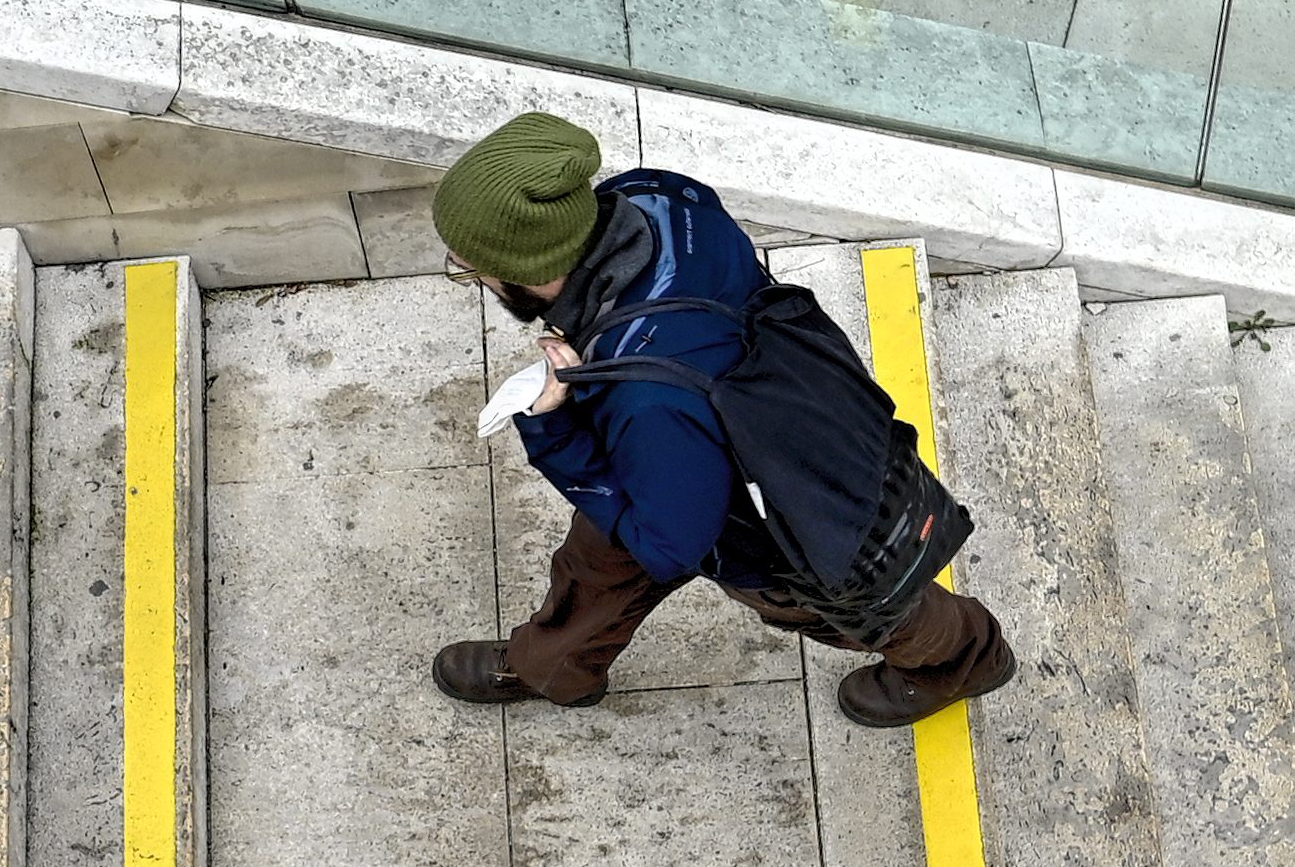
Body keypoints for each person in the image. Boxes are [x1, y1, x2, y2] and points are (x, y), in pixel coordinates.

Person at [430, 112, 1015, 728]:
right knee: (598, 563)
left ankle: (965, 655)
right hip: (717, 427)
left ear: (533, 269)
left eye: (472, 268)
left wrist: (554, 426)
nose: (477, 279)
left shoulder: (645, 400)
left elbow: (668, 546)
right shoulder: (658, 196)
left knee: (868, 610)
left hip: (773, 522)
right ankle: (554, 667)